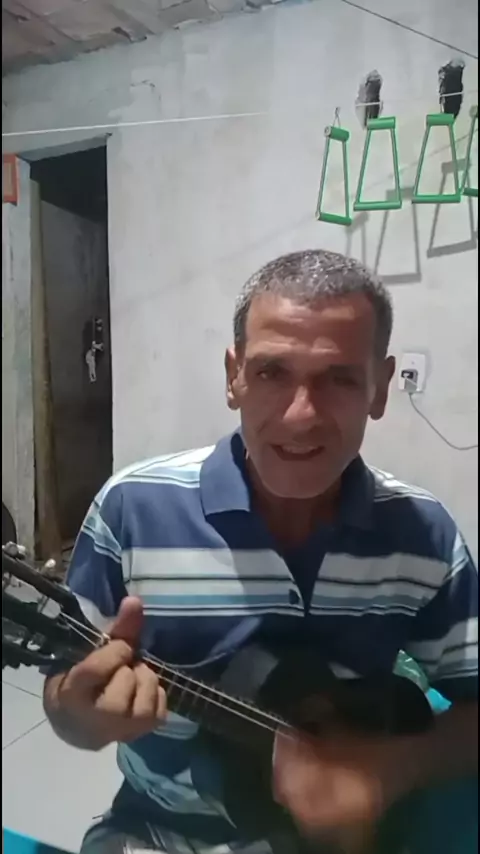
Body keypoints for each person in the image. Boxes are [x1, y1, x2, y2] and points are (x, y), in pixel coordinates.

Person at [43, 250, 478, 854]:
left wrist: (388, 770)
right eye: (272, 372)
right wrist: (79, 719)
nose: (301, 417)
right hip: (157, 833)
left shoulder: (423, 532)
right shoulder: (132, 509)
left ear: (380, 387)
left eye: (340, 379)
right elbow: (65, 683)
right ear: (234, 377)